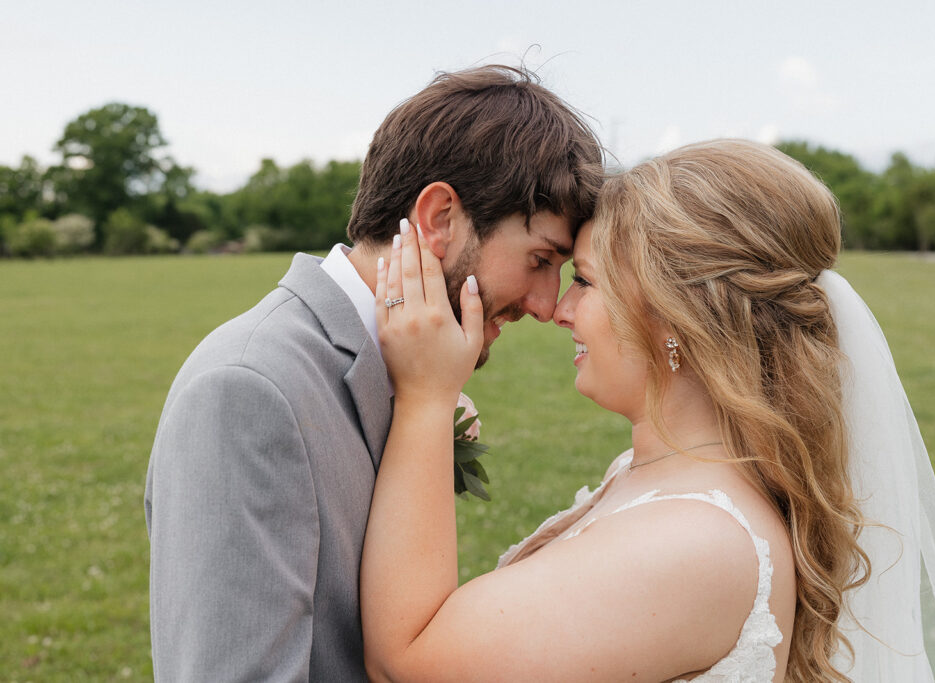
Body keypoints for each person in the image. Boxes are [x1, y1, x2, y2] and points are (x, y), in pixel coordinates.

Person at [360, 139, 935, 681]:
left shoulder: (698, 542)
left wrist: (425, 402)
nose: (558, 310)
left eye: (588, 281)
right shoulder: (658, 475)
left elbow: (406, 664)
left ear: (675, 316)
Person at [144, 64, 602, 681]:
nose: (548, 306)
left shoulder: (414, 373)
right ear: (439, 217)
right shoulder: (249, 390)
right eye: (540, 259)